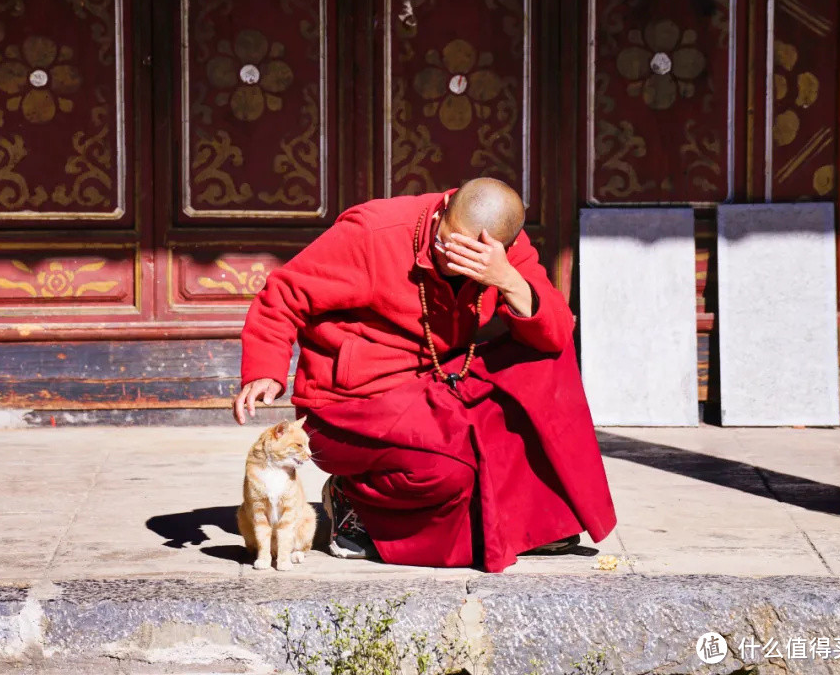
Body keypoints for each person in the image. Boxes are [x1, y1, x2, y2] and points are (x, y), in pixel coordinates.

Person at [232, 178, 617, 572]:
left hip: (434, 382)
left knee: (546, 362)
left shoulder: (506, 253)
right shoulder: (374, 232)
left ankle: (531, 524)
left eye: (468, 253)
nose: (450, 256)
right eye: (445, 242)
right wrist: (265, 369)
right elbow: (283, 294)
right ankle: (355, 503)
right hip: (352, 401)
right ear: (440, 212)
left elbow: (554, 333)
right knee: (447, 471)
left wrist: (506, 278)